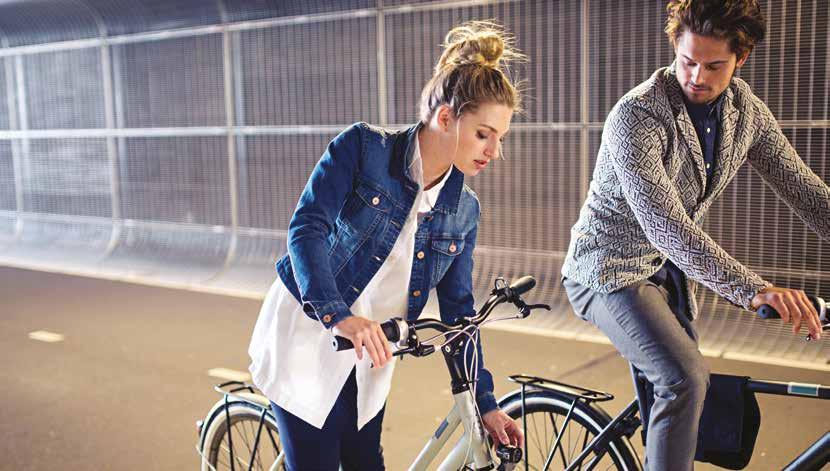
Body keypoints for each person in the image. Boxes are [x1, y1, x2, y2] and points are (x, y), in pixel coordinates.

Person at [561, 1, 830, 469]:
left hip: (665, 275)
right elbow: (669, 229)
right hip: (606, 270)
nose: (697, 76)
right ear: (675, 49)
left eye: (714, 65)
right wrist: (754, 290)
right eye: (687, 61)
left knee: (686, 394)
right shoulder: (638, 115)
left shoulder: (747, 113)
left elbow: (808, 195)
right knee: (683, 378)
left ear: (740, 58)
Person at [248, 21, 525, 470]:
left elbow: (458, 313)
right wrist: (339, 316)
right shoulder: (362, 149)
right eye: (483, 134)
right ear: (446, 117)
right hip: (309, 335)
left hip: (371, 358)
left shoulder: (463, 210)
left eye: (501, 138)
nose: (494, 151)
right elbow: (307, 229)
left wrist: (485, 403)